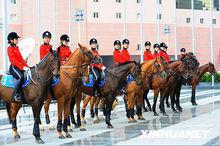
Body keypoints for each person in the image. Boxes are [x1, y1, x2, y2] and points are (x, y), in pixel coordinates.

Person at [7, 32, 29, 102]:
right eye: (16, 39)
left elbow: (21, 59)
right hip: (13, 67)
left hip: (19, 66)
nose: (17, 40)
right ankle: (15, 94)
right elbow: (13, 60)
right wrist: (22, 67)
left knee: (27, 75)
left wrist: (27, 67)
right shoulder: (9, 48)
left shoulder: (16, 48)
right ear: (11, 40)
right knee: (20, 77)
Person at [39, 31, 56, 100]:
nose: (47, 39)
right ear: (43, 39)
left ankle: (51, 93)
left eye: (48, 38)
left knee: (54, 79)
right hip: (44, 66)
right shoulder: (42, 47)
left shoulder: (51, 47)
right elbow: (42, 58)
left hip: (50, 67)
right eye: (45, 38)